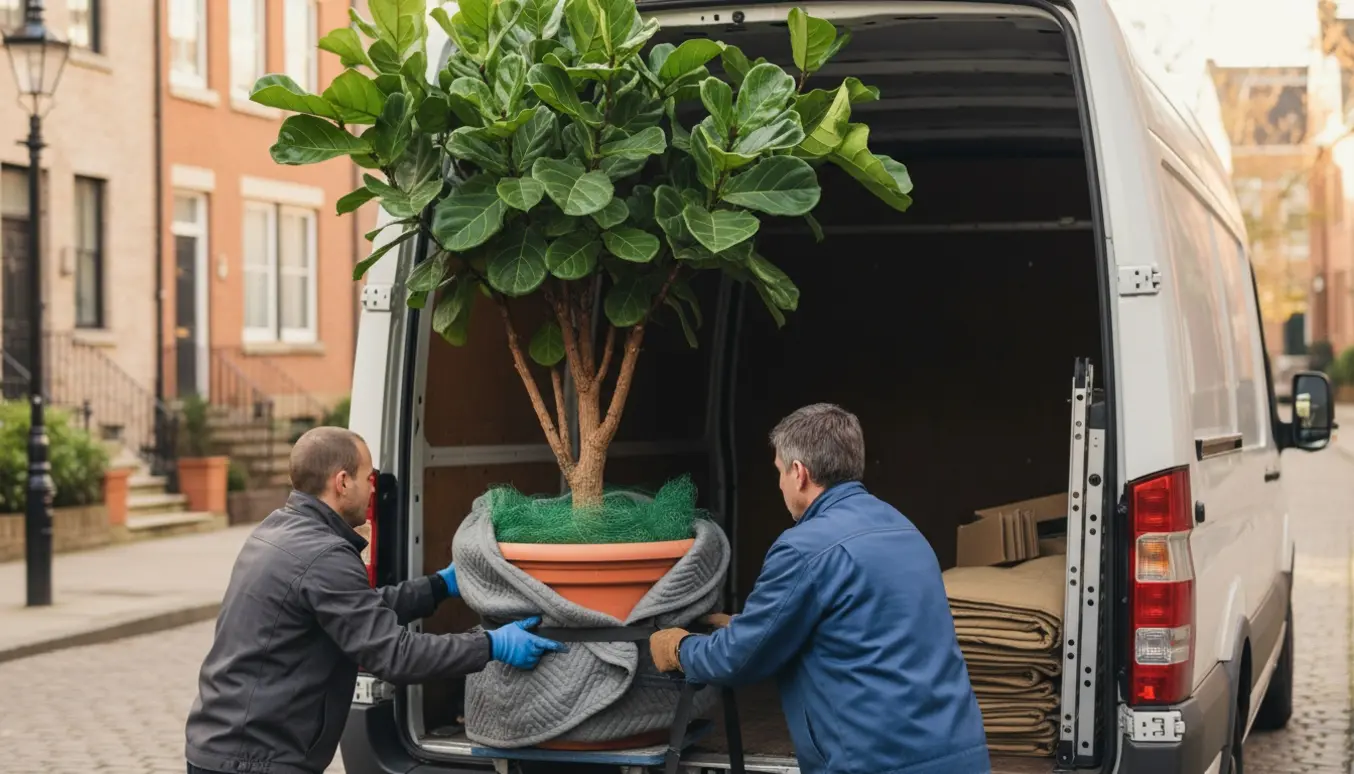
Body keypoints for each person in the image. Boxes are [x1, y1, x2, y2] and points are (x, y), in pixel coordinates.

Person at [185, 426, 565, 774]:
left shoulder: (276, 530)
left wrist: (438, 587)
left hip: (223, 747)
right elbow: (395, 655)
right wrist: (492, 645)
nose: (373, 491)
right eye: (369, 479)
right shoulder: (324, 555)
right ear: (342, 482)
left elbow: (354, 609)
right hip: (253, 761)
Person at [649, 404, 989, 774]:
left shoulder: (804, 547)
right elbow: (865, 625)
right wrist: (749, 625)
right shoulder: (904, 529)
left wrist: (680, 649)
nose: (779, 484)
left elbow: (740, 658)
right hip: (961, 756)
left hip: (877, 764)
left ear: (799, 473)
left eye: (779, 471)